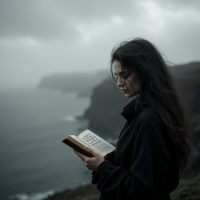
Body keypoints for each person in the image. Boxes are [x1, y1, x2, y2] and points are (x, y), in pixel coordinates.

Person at [73, 38, 192, 200]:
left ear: (145, 72)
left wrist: (102, 167)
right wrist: (109, 159)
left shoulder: (150, 119)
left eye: (125, 75)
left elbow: (141, 190)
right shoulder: (151, 112)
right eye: (117, 77)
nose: (119, 83)